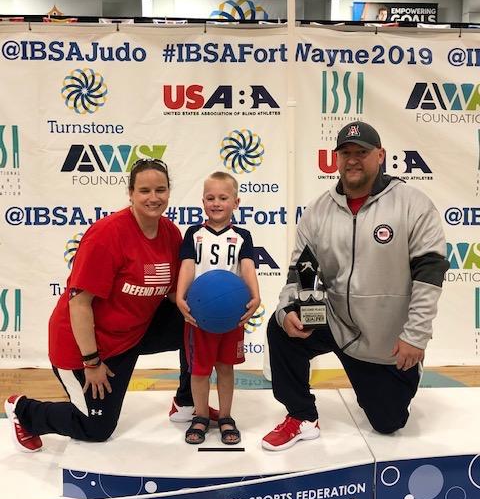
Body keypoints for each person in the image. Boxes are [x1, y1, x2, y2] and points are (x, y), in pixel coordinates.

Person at [4, 158, 217, 453]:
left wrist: (214, 306)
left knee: (195, 321)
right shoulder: (107, 236)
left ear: (169, 192)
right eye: (144, 190)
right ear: (130, 193)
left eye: (160, 189)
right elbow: (79, 304)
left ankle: (186, 401)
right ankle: (24, 411)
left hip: (133, 333)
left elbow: (171, 292)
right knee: (95, 428)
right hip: (86, 345)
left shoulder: (169, 233)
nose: (153, 198)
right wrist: (91, 363)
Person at [262, 121, 449, 451]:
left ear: (380, 156)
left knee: (388, 423)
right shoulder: (319, 211)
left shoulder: (413, 204)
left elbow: (429, 273)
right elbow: (301, 271)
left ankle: (404, 373)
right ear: (336, 159)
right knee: (282, 327)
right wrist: (288, 308)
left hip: (385, 341)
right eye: (345, 152)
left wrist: (415, 335)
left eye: (361, 152)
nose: (352, 160)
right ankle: (302, 415)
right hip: (336, 322)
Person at [176, 172, 260, 445]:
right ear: (202, 202)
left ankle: (225, 416)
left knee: (225, 367)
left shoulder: (242, 236)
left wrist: (256, 296)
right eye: (210, 198)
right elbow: (187, 266)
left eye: (223, 198)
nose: (216, 203)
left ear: (235, 202)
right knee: (199, 370)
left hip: (230, 318)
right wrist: (180, 297)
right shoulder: (194, 234)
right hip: (199, 317)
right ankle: (200, 415)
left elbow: (247, 267)